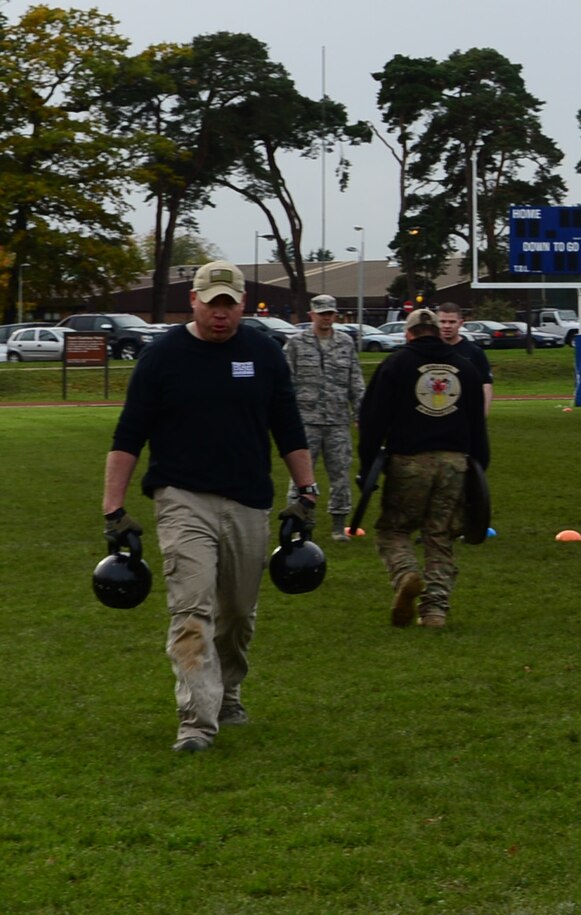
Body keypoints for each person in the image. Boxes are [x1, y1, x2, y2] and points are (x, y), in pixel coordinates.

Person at [101, 261, 317, 753]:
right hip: (182, 498)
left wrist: (306, 491)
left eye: (229, 305)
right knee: (192, 609)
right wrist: (113, 509)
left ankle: (229, 691)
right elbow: (128, 435)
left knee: (238, 612)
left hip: (248, 499)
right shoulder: (162, 358)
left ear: (242, 304)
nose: (220, 315)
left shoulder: (264, 353)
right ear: (194, 301)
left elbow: (288, 427)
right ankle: (196, 722)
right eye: (211, 303)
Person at [355, 309, 490, 630]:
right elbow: (477, 426)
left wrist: (367, 468)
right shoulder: (466, 368)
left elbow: (371, 422)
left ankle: (406, 574)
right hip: (456, 464)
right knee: (440, 536)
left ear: (409, 333)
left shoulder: (395, 364)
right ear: (435, 330)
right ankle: (434, 611)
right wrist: (478, 472)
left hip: (408, 462)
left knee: (394, 530)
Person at [282, 294, 365, 538]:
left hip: (338, 421)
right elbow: (285, 382)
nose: (326, 318)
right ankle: (300, 524)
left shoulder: (345, 343)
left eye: (330, 313)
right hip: (306, 421)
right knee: (300, 477)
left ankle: (339, 527)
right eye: (322, 313)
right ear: (312, 315)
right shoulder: (296, 344)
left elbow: (356, 381)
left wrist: (361, 412)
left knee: (340, 475)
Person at [436, 302, 494, 414]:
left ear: (460, 323)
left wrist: (482, 415)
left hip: (464, 414)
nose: (447, 326)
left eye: (452, 322)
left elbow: (485, 385)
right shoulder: (428, 350)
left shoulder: (474, 352)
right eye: (442, 321)